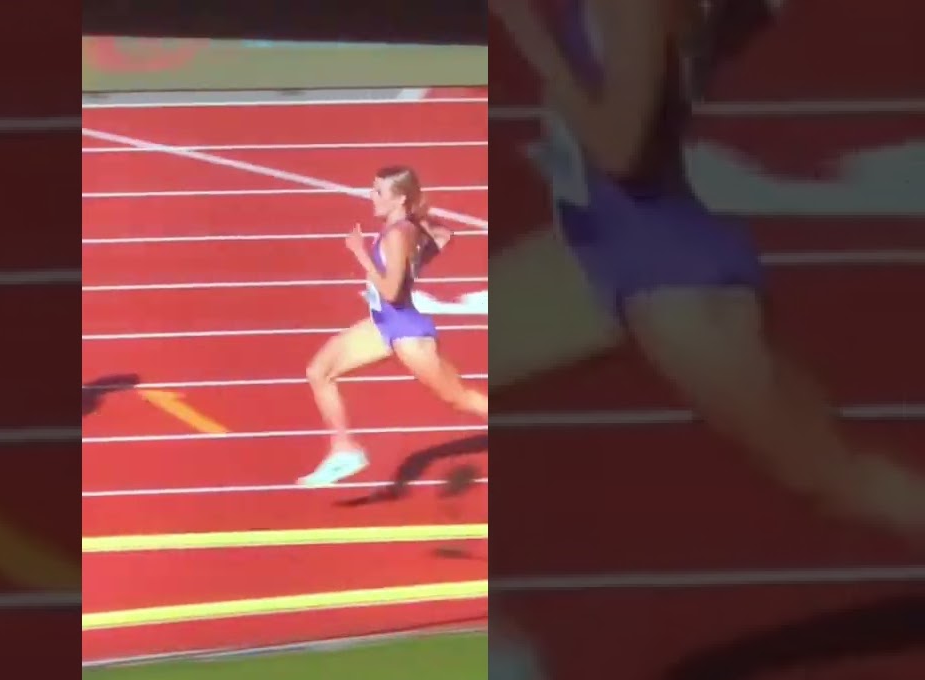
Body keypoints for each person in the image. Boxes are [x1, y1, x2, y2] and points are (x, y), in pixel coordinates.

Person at [487, 0, 925, 535]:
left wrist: (534, 42)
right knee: (425, 367)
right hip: (595, 249)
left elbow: (618, 151)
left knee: (837, 478)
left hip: (671, 280)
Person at [299, 166, 488, 487]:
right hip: (383, 324)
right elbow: (444, 236)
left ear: (399, 198)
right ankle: (344, 449)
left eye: (378, 192)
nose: (371, 196)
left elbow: (390, 291)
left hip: (407, 333)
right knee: (319, 371)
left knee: (459, 398)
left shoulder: (398, 235)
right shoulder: (405, 228)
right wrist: (419, 236)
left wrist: (361, 255)